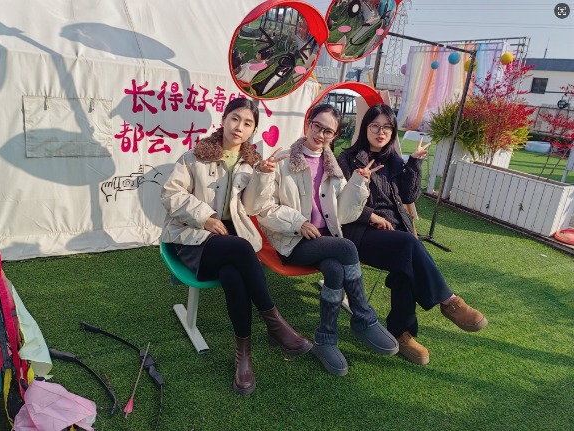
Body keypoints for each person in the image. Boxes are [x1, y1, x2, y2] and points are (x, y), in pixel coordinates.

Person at [160, 98, 312, 395]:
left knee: (233, 275)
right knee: (242, 250)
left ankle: (244, 354)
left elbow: (252, 207)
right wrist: (205, 218)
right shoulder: (193, 157)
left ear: (253, 129)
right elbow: (170, 194)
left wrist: (263, 175)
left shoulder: (253, 163)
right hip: (193, 237)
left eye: (247, 123)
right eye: (235, 118)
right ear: (224, 119)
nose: (239, 127)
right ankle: (275, 324)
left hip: (231, 239)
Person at [244, 104, 399, 377]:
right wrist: (297, 221)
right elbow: (260, 208)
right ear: (308, 124)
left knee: (336, 270)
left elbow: (344, 214)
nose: (320, 134)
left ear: (334, 136)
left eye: (328, 131)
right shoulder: (284, 161)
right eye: (317, 126)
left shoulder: (332, 166)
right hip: (293, 242)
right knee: (347, 247)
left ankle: (325, 340)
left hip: (325, 241)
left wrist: (358, 183)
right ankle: (363, 317)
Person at [337, 104, 488, 365]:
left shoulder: (393, 159)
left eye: (387, 127)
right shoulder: (348, 159)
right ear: (365, 128)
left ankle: (402, 333)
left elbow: (408, 196)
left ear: (393, 132)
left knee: (405, 264)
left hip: (396, 235)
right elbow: (339, 203)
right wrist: (370, 216)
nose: (381, 132)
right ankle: (449, 301)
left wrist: (415, 163)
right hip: (361, 233)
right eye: (375, 126)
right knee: (408, 245)